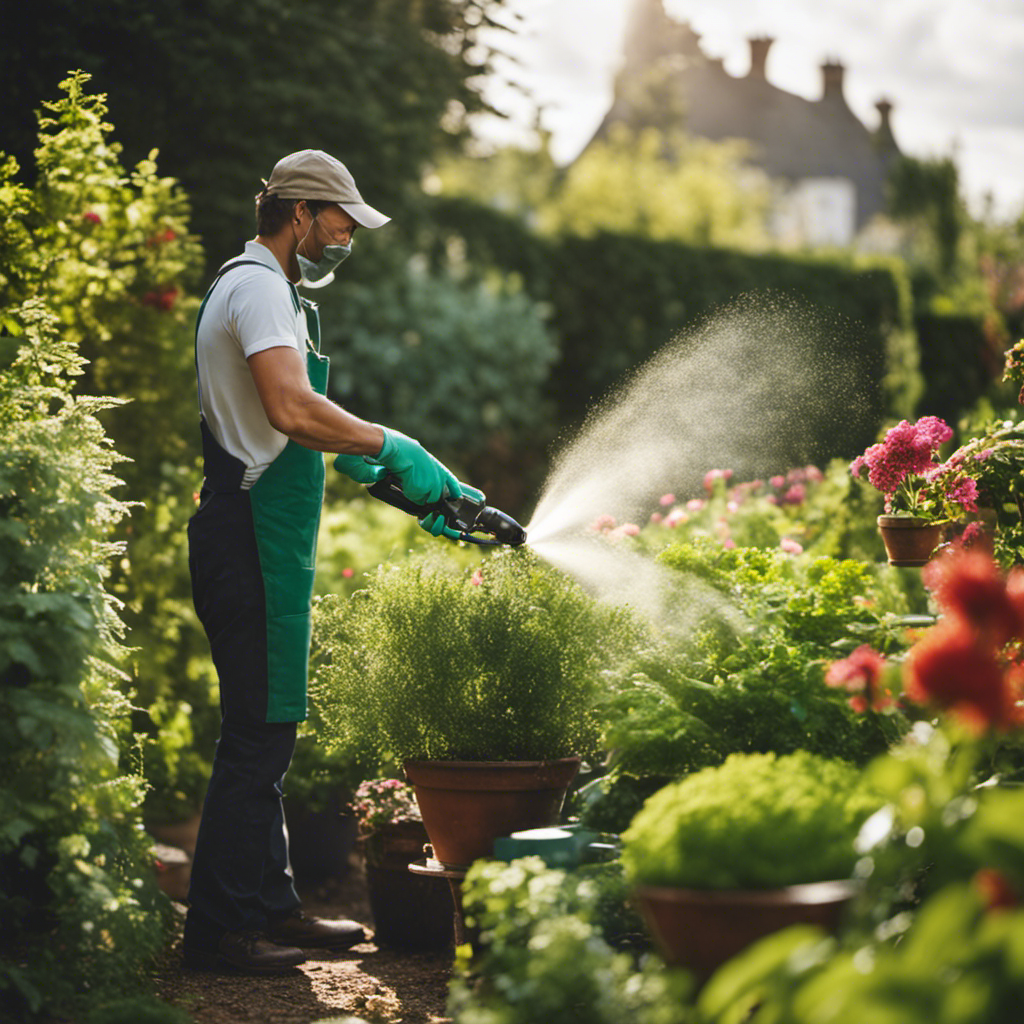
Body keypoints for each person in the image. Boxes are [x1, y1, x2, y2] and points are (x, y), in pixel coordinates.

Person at [183, 149, 465, 973]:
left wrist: (399, 481)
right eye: (340, 221)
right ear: (298, 212)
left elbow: (299, 434)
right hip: (251, 537)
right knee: (256, 738)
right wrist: (394, 442)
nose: (348, 235)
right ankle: (222, 933)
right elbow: (290, 407)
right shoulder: (261, 286)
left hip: (255, 530)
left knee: (269, 732)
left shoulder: (265, 289)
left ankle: (272, 908)